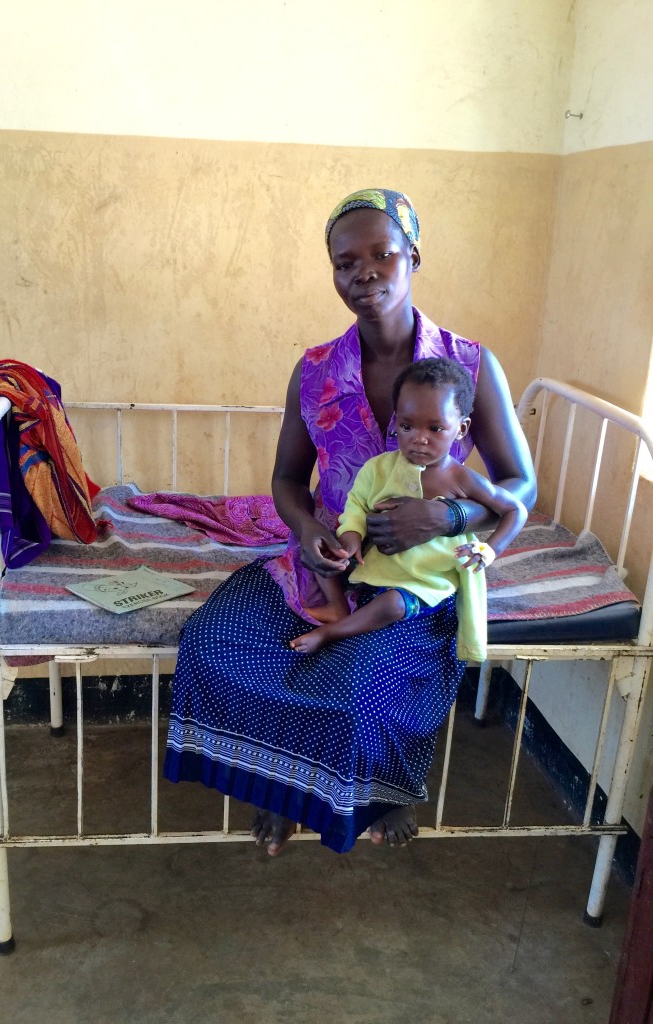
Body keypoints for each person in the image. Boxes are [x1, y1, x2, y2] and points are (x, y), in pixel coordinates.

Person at [163, 188, 536, 857]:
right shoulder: (314, 371)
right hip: (328, 561)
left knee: (361, 689)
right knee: (213, 645)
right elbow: (286, 479)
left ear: (413, 256)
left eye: (382, 254)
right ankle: (277, 790)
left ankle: (385, 792)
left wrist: (446, 515)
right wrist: (308, 533)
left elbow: (519, 484)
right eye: (345, 262)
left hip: (417, 575)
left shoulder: (469, 366)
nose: (364, 272)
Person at [289, 356, 528, 657]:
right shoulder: (377, 469)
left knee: (393, 605)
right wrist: (349, 540)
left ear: (462, 428)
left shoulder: (462, 478)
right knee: (321, 552)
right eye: (407, 426)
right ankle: (337, 607)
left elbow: (515, 509)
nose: (419, 439)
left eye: (435, 428)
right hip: (375, 562)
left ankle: (331, 632)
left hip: (424, 579)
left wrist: (489, 550)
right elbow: (356, 508)